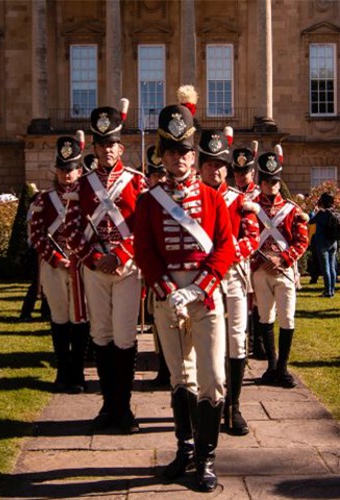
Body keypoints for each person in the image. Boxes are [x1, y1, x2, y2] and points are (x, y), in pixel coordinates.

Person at [134, 95, 234, 492]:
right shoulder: (148, 201)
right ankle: (186, 448)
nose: (179, 158)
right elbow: (144, 250)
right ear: (162, 154)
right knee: (181, 378)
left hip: (205, 296)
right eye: (172, 151)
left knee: (213, 377)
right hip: (167, 295)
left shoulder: (212, 198)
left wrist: (198, 288)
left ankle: (207, 459)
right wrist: (166, 288)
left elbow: (225, 246)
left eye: (185, 152)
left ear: (195, 155)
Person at [67, 98, 146, 434]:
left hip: (127, 270)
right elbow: (71, 227)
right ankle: (107, 405)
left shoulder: (137, 181)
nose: (107, 151)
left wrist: (122, 255)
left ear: (121, 147)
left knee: (125, 337)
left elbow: (144, 224)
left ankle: (124, 407)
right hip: (96, 268)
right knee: (101, 335)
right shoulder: (81, 185)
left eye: (112, 144)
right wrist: (96, 258)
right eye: (102, 145)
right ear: (95, 148)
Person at [197, 127, 260, 436]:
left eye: (221, 164)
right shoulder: (190, 199)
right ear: (201, 166)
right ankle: (206, 404)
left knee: (236, 338)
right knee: (204, 343)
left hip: (233, 275)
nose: (216, 169)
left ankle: (233, 406)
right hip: (201, 278)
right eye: (209, 163)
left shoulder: (238, 200)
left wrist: (229, 252)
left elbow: (252, 237)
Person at [31, 134, 90, 393]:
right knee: (59, 319)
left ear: (79, 170)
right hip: (54, 266)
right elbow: (36, 234)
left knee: (80, 320)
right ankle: (62, 371)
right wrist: (56, 259)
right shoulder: (44, 200)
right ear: (56, 170)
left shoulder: (88, 199)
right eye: (63, 169)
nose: (67, 174)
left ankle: (77, 373)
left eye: (72, 169)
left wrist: (79, 257)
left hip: (81, 265)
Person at [252, 146, 309, 388]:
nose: (271, 186)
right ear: (261, 182)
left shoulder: (292, 209)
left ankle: (283, 368)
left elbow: (302, 240)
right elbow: (246, 237)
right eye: (266, 182)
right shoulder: (251, 209)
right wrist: (261, 261)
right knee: (265, 317)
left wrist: (283, 259)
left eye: (275, 182)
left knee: (287, 318)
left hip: (284, 270)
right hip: (260, 270)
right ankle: (271, 366)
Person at [231, 144, 265, 360]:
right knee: (240, 303)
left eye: (245, 172)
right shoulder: (230, 194)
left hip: (258, 256)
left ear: (252, 172)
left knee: (259, 303)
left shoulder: (260, 195)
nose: (241, 176)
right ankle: (242, 342)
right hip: (237, 257)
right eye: (238, 172)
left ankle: (257, 344)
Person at [143, 145, 171, 388]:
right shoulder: (147, 201)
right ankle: (162, 366)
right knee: (155, 317)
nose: (159, 178)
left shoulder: (174, 198)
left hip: (176, 270)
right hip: (153, 270)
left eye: (162, 174)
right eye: (155, 175)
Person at [309, 192, 339, 297]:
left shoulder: (322, 213)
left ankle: (327, 291)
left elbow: (311, 221)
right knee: (332, 267)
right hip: (333, 241)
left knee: (325, 267)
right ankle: (332, 290)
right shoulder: (335, 212)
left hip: (322, 242)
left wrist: (314, 210)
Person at [20, 183, 42, 321]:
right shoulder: (34, 210)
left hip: (39, 247)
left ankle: (45, 311)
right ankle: (26, 312)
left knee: (45, 283)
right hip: (36, 248)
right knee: (36, 282)